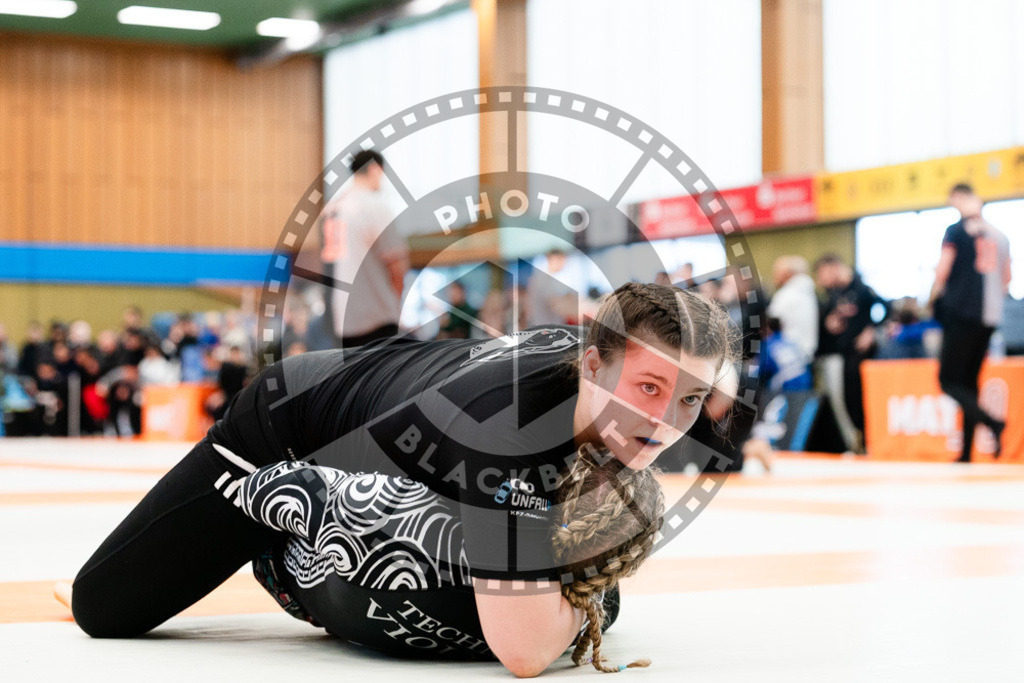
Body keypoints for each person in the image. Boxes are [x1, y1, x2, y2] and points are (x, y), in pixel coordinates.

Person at [71, 282, 736, 677]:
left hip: (392, 418)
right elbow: (526, 650)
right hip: (289, 425)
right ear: (592, 366)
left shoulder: (622, 394)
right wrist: (590, 594)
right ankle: (249, 542)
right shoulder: (510, 430)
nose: (666, 421)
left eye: (687, 398)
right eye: (649, 388)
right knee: (104, 607)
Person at [929, 183, 1011, 461]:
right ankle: (966, 454)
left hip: (961, 313)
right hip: (989, 317)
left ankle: (992, 422)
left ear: (958, 199)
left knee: (948, 380)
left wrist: (931, 299)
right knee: (969, 382)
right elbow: (1006, 279)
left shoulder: (956, 231)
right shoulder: (1000, 236)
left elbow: (943, 270)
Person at [321, 149, 410, 348]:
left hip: (343, 319)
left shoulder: (332, 209)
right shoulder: (375, 206)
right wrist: (396, 307)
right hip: (376, 316)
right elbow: (397, 264)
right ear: (375, 170)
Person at [814, 254, 887, 453]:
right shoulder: (835, 294)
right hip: (845, 354)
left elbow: (885, 307)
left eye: (824, 274)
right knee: (848, 399)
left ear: (834, 267)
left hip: (864, 356)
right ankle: (858, 442)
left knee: (864, 398)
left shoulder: (862, 289)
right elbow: (831, 321)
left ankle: (868, 441)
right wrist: (831, 323)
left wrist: (872, 329)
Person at [767, 255, 818, 362]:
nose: (774, 276)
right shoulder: (808, 292)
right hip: (807, 352)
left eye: (777, 272)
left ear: (787, 273)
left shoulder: (785, 295)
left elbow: (771, 321)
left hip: (788, 355)